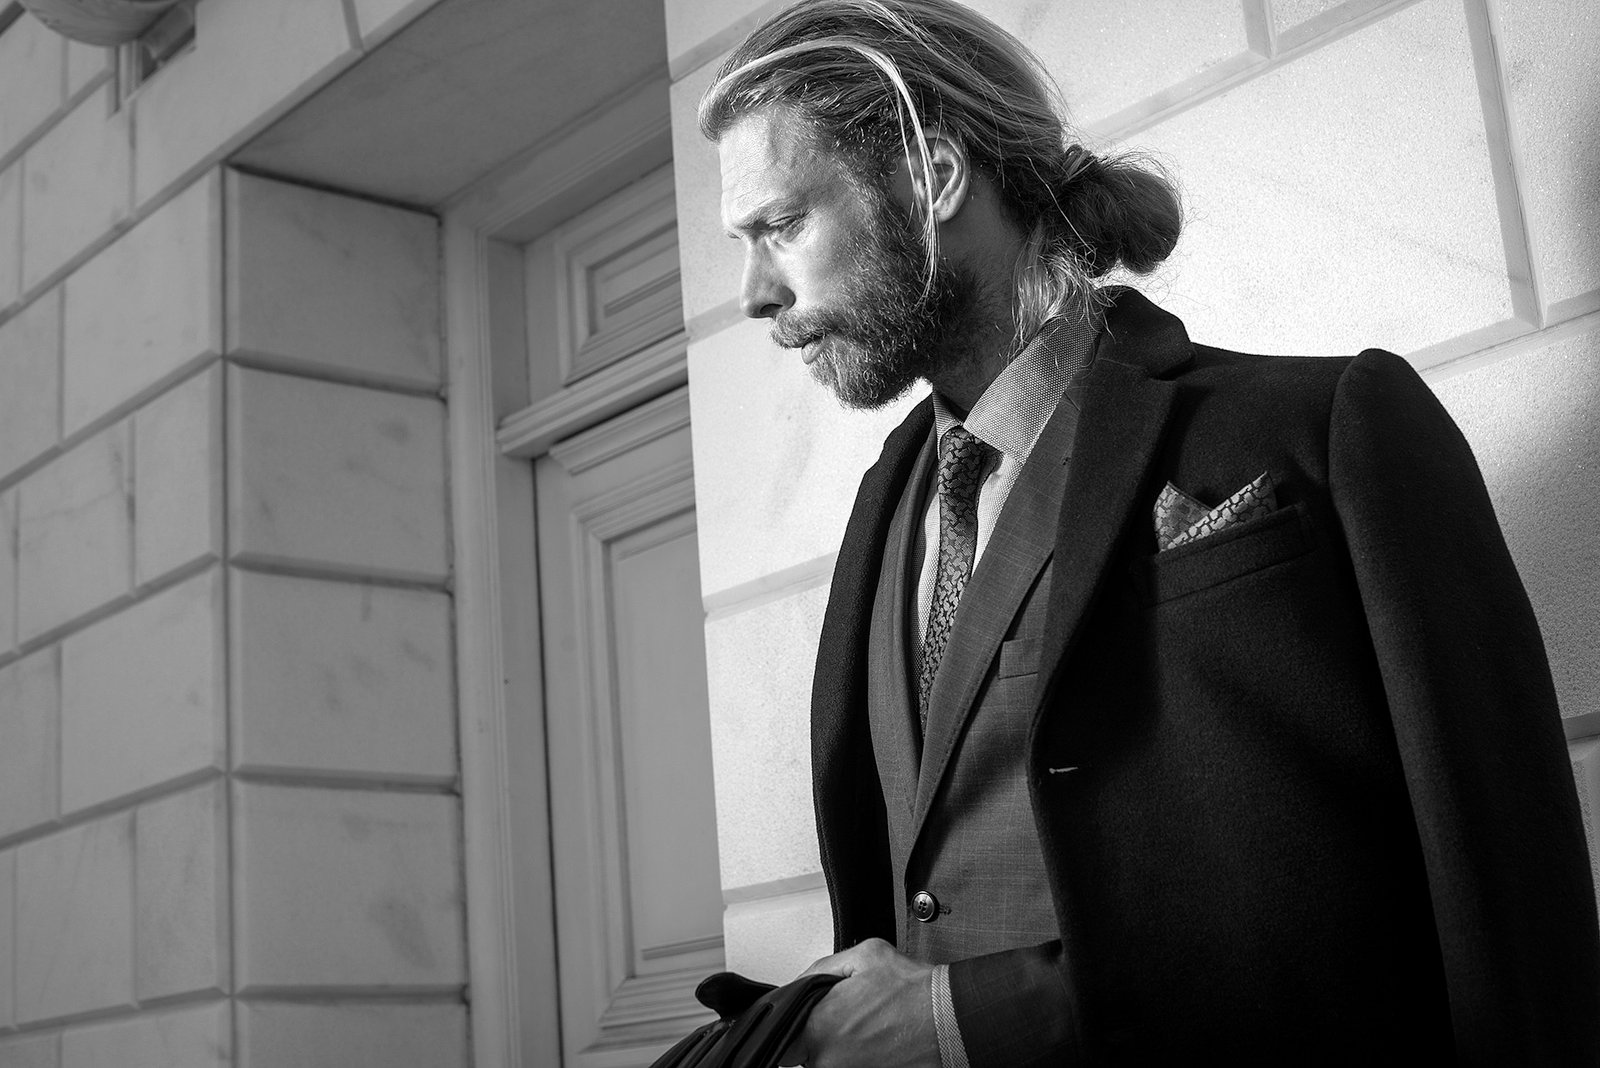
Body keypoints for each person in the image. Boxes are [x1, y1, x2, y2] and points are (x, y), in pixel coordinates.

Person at [701, 0, 1600, 1063]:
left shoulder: (1326, 429)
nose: (754, 294)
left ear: (933, 177)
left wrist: (960, 1020)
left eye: (781, 226)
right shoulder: (880, 512)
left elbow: (1493, 903)